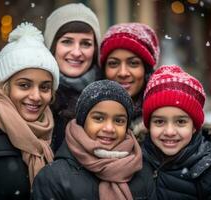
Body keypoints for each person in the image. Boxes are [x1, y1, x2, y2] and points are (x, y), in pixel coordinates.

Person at [0, 22, 59, 200]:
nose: (36, 96)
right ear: (5, 87)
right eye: (24, 85)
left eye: (44, 87)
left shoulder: (50, 131)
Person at [31, 80, 156, 200]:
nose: (109, 128)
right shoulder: (53, 177)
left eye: (119, 121)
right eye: (99, 118)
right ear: (82, 121)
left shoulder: (142, 172)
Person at [142, 65, 211, 199]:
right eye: (159, 122)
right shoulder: (134, 165)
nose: (169, 131)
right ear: (148, 126)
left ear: (194, 127)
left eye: (180, 122)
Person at [44, 3, 101, 152]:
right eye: (67, 41)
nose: (76, 52)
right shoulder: (36, 95)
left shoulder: (109, 94)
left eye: (86, 43)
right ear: (52, 46)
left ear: (95, 50)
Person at [100, 22, 160, 143]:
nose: (123, 73)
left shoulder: (163, 119)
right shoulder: (86, 116)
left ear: (146, 70)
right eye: (113, 63)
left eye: (133, 63)